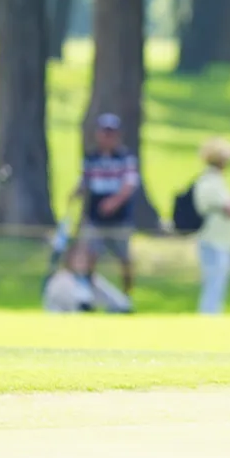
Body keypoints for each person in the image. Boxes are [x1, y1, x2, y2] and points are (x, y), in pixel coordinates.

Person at [78, 113, 139, 296]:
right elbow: (85, 182)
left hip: (119, 218)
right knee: (89, 255)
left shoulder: (125, 158)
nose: (107, 137)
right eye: (104, 133)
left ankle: (127, 295)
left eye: (111, 134)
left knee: (124, 258)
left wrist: (114, 202)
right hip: (95, 217)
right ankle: (88, 294)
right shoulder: (92, 158)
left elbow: (129, 184)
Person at [194, 138, 230, 315]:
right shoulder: (209, 181)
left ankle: (213, 311)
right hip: (213, 238)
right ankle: (209, 313)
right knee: (214, 279)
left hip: (223, 239)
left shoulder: (216, 180)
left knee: (218, 279)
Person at [42, 243, 99, 313]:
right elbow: (54, 302)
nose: (81, 264)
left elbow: (110, 297)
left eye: (85, 260)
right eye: (78, 260)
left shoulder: (91, 278)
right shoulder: (60, 279)